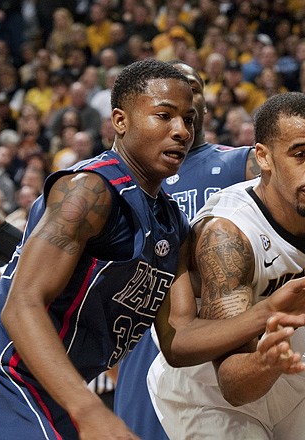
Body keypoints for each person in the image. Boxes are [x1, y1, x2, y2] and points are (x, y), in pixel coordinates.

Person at [0, 60, 305, 439]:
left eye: (188, 119)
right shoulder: (88, 191)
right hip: (0, 379)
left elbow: (178, 340)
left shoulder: (172, 223)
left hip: (49, 392)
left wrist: (266, 311)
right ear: (120, 121)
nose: (181, 131)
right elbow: (21, 303)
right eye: (163, 116)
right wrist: (88, 409)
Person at [148, 92, 305, 439]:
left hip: (293, 365)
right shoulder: (227, 237)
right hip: (211, 390)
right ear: (263, 156)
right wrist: (267, 360)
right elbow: (233, 384)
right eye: (300, 155)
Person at [112, 60, 259, 440]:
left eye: (191, 89)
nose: (182, 97)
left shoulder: (238, 160)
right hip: (147, 332)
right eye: (165, 105)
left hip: (213, 323)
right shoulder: (125, 180)